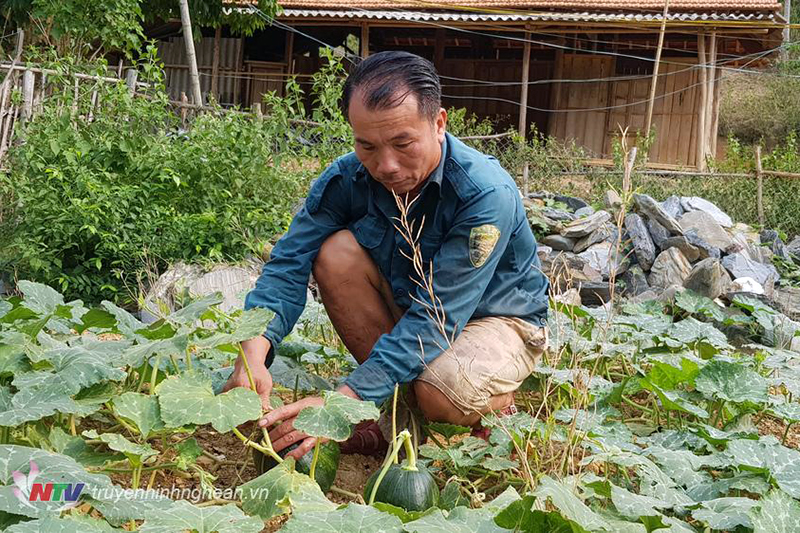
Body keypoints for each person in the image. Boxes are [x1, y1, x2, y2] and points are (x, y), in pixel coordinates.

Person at [222, 51, 549, 460]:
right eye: (367, 145)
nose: (386, 165)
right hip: (414, 309)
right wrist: (253, 350)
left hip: (497, 319)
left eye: (402, 143)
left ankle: (493, 405)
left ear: (438, 123)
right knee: (334, 253)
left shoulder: (484, 194)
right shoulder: (347, 178)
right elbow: (289, 262)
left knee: (440, 389)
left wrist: (339, 405)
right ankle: (395, 418)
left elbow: (436, 318)